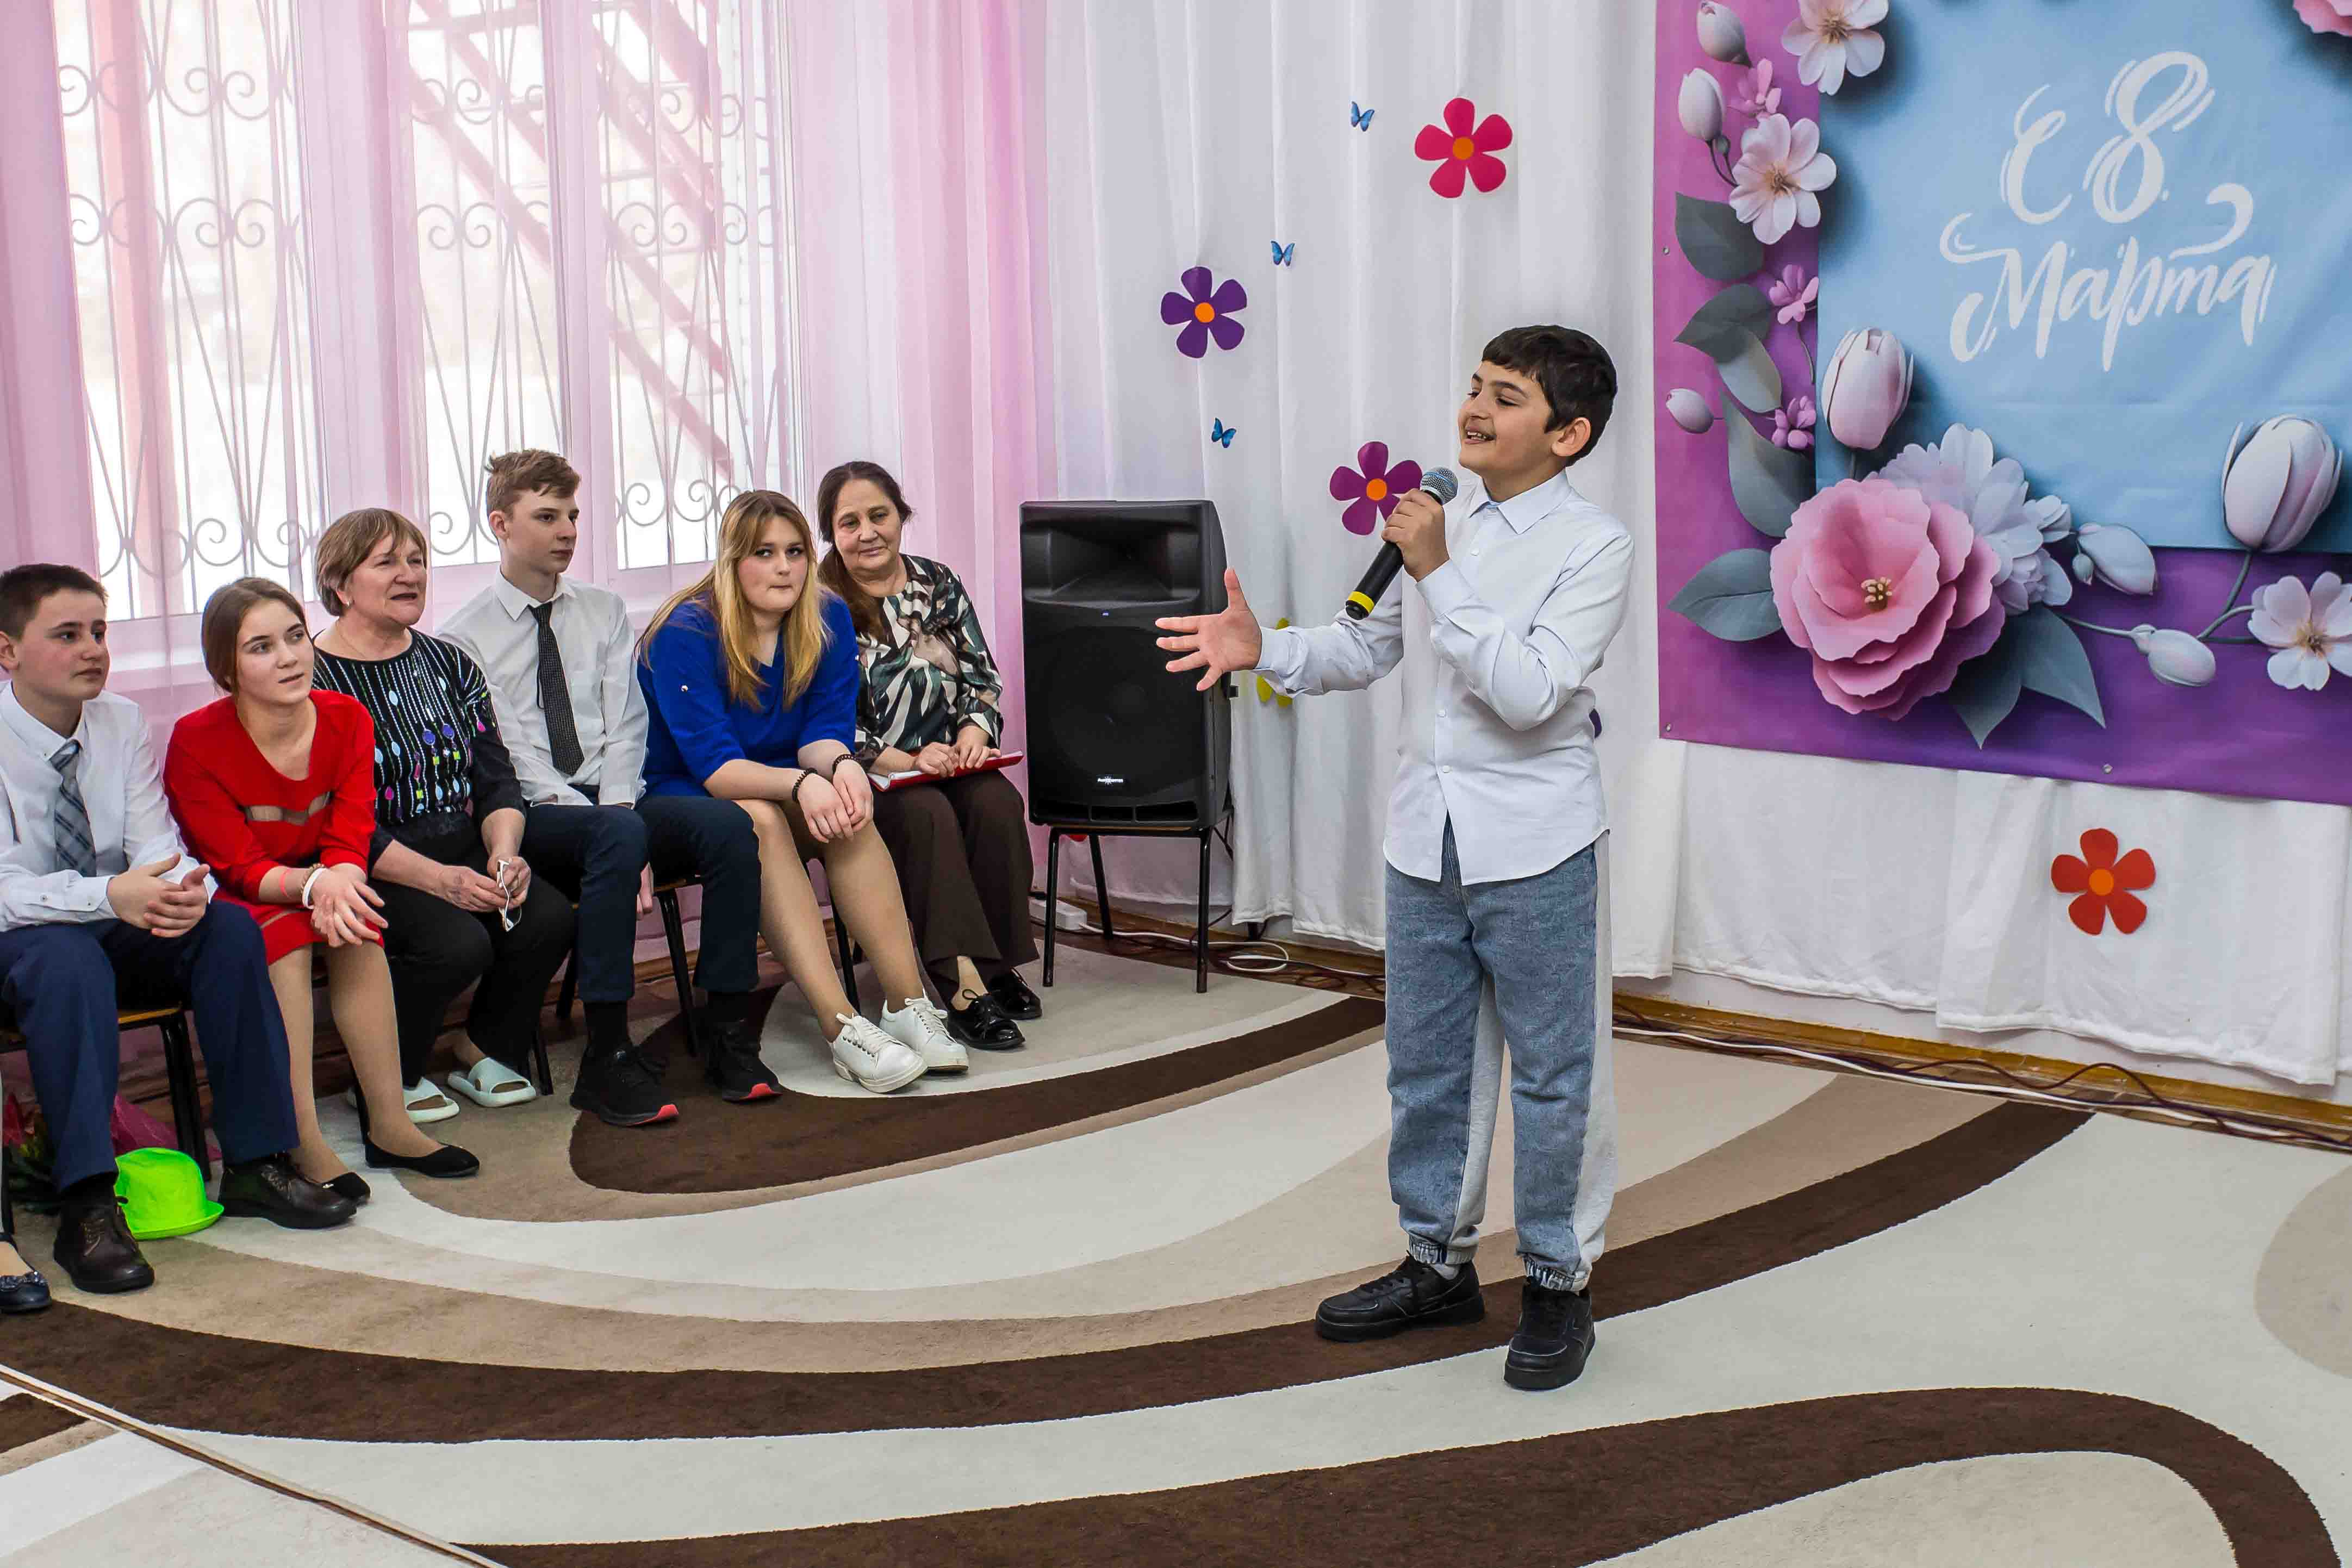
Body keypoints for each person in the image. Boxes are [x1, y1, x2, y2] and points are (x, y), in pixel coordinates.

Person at [1156, 326, 1633, 1392]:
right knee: (1425, 1064)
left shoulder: (1592, 544)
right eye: (1475, 386)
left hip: (1539, 841)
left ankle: (1558, 1279)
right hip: (1426, 838)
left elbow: (1529, 693)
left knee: (1555, 1074)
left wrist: (1440, 570)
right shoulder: (1438, 524)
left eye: (1505, 397)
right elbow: (1365, 644)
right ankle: (1436, 1262)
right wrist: (1265, 648)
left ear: (1567, 434)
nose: (1475, 408)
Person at [0, 564, 354, 1296]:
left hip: (113, 915)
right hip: (23, 935)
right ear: (7, 651)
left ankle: (257, 1163)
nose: (93, 649)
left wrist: (186, 892)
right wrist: (111, 893)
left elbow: (155, 845)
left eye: (100, 631)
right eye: (66, 635)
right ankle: (89, 1204)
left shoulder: (120, 721)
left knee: (227, 930)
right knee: (68, 960)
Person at [442, 450, 762, 1119]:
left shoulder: (604, 609)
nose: (567, 530)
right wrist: (614, 828)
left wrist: (620, 814)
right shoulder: (463, 638)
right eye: (547, 516)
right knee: (613, 833)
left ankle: (728, 1027)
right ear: (500, 523)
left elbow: (627, 723)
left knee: (731, 826)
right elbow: (510, 756)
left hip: (617, 801)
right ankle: (607, 1055)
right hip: (537, 814)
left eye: (573, 515)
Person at [637, 488, 966, 1093]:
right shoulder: (684, 631)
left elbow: (822, 732)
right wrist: (804, 782)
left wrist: (841, 767)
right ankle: (842, 1026)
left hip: (782, 781)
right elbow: (716, 769)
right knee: (759, 818)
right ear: (733, 560)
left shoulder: (827, 614)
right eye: (764, 553)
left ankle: (907, 1005)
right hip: (683, 794)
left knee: (847, 808)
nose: (785, 567)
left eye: (795, 552)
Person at [165, 578, 477, 1186]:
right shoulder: (195, 740)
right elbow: (236, 864)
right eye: (261, 647)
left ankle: (391, 1124)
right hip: (246, 894)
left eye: (295, 637)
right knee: (285, 940)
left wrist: (341, 882)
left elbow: (353, 827)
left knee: (359, 929)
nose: (289, 657)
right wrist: (316, 886)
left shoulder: (347, 717)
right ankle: (302, 1139)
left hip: (328, 878)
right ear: (226, 669)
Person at [308, 508, 575, 1123]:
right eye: (387, 562)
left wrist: (504, 854)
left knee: (545, 916)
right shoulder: (314, 679)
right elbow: (331, 817)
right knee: (455, 945)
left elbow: (495, 778)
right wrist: (440, 881)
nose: (410, 574)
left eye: (417, 560)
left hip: (458, 837)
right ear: (341, 585)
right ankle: (384, 1076)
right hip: (363, 860)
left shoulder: (451, 663)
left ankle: (484, 1046)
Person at [814, 460, 1038, 1051]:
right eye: (850, 523)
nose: (868, 533)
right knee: (928, 816)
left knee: (996, 804)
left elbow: (981, 675)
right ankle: (960, 984)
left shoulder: (938, 582)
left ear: (902, 515)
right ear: (832, 533)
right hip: (872, 774)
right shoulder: (820, 605)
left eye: (879, 515)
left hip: (952, 762)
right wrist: (902, 759)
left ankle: (995, 965)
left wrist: (973, 732)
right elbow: (820, 720)